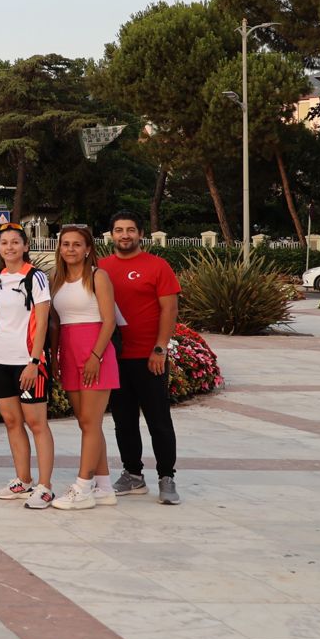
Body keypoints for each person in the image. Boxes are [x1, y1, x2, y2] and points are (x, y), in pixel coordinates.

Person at [99, 211, 183, 505]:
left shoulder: (157, 266)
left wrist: (160, 348)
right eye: (119, 230)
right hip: (115, 358)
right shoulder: (101, 268)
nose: (125, 235)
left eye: (130, 230)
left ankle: (166, 477)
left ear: (140, 234)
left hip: (150, 358)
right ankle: (133, 474)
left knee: (159, 421)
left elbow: (169, 310)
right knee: (123, 421)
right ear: (111, 235)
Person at [0, 222, 56, 509]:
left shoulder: (35, 278)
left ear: (25, 246)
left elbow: (42, 323)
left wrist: (34, 362)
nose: (9, 247)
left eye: (15, 242)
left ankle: (45, 486)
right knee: (12, 422)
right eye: (4, 243)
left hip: (27, 362)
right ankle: (22, 480)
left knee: (37, 423)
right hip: (0, 359)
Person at [49, 224, 120, 511]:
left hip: (95, 353)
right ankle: (104, 487)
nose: (70, 249)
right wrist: (54, 355)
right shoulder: (56, 278)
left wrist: (96, 356)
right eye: (65, 244)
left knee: (91, 423)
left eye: (76, 244)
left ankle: (83, 486)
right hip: (69, 351)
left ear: (88, 249)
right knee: (85, 422)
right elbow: (54, 322)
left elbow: (109, 320)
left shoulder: (98, 276)